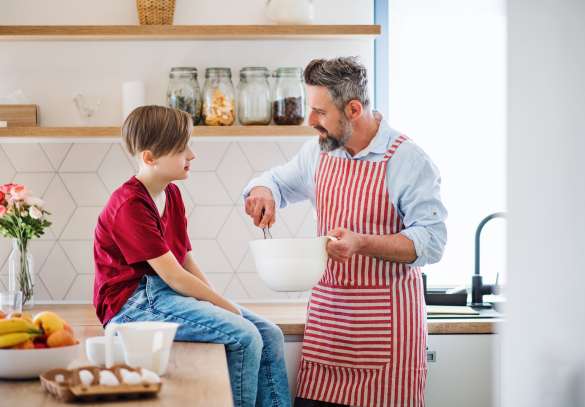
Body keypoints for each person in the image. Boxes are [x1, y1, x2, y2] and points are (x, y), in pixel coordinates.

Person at [243, 57, 447, 407]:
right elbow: (274, 180)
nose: (311, 121)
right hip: (328, 334)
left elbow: (432, 242)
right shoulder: (318, 153)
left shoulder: (407, 160)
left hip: (387, 344)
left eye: (320, 112)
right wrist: (263, 192)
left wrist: (363, 243)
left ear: (353, 109)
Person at [93, 105, 291, 407]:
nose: (192, 154)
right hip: (131, 304)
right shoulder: (129, 204)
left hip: (162, 294)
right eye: (181, 148)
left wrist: (220, 303)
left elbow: (186, 261)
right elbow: (173, 276)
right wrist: (227, 309)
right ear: (150, 158)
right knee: (246, 336)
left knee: (270, 333)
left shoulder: (171, 194)